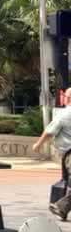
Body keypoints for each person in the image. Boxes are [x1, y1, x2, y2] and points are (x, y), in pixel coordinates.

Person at [33, 87, 71, 220]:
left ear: (68, 99)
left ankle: (62, 207)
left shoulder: (64, 114)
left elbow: (49, 131)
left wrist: (38, 144)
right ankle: (62, 209)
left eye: (65, 97)